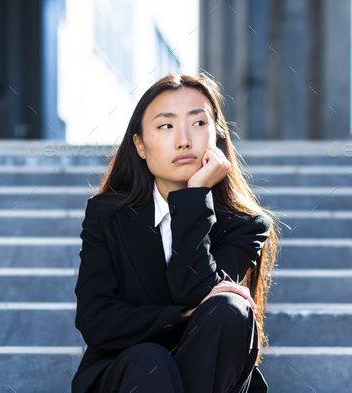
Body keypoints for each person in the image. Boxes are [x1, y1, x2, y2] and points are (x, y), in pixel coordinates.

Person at [71, 72, 280, 393]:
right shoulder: (107, 216)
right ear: (139, 145)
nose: (184, 139)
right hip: (127, 373)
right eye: (166, 126)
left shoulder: (245, 224)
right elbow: (96, 320)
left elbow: (199, 295)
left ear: (217, 136)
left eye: (198, 123)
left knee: (230, 309)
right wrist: (184, 315)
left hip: (212, 372)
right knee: (151, 360)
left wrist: (194, 196)